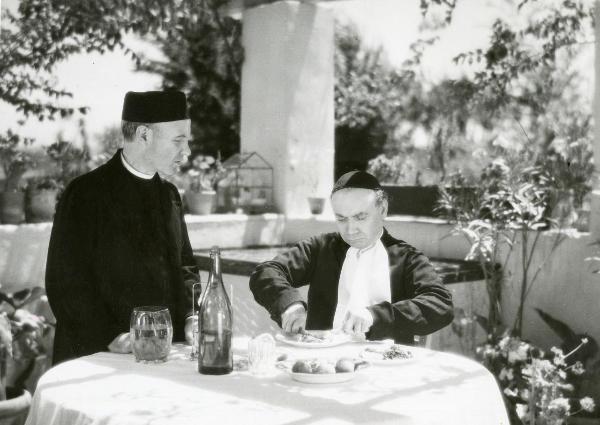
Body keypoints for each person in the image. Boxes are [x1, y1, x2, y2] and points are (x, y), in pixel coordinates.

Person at [46, 90, 199, 364]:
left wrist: (191, 316)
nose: (186, 151)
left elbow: (185, 267)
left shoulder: (170, 196)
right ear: (143, 135)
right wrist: (109, 336)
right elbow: (65, 283)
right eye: (179, 140)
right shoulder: (84, 194)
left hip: (164, 357)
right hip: (98, 356)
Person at [249, 171, 453, 344]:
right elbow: (267, 271)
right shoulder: (321, 248)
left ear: (382, 210)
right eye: (341, 218)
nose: (350, 229)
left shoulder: (408, 258)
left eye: (360, 217)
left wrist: (375, 316)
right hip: (323, 364)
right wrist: (290, 305)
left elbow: (440, 304)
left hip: (386, 370)